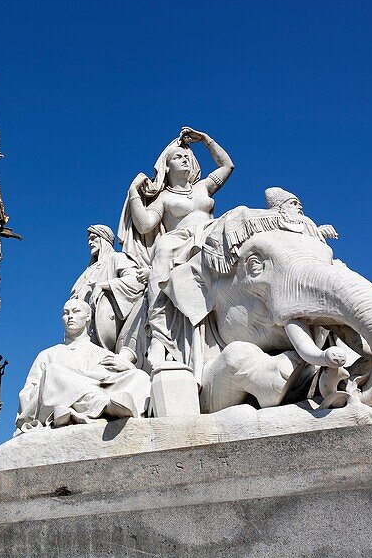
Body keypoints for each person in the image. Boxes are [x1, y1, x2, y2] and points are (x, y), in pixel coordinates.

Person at [119, 127, 234, 379]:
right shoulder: (163, 199)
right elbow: (145, 225)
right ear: (167, 167)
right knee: (163, 248)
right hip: (179, 243)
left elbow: (227, 166)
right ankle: (159, 333)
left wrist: (205, 139)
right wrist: (133, 195)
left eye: (186, 157)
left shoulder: (203, 187)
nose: (184, 159)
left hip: (210, 235)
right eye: (177, 157)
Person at [14, 299, 151, 434]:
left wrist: (127, 367)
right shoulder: (49, 354)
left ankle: (81, 409)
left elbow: (110, 381)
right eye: (66, 313)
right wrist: (62, 386)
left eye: (76, 311)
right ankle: (103, 405)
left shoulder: (103, 353)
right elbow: (27, 396)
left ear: (87, 317)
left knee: (140, 376)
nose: (70, 316)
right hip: (57, 401)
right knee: (53, 372)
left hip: (100, 390)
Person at [69, 224, 148, 357]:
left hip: (104, 331)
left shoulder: (117, 258)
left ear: (104, 239)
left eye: (94, 238)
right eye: (88, 239)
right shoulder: (85, 273)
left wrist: (104, 285)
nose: (89, 242)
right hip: (82, 332)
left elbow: (136, 281)